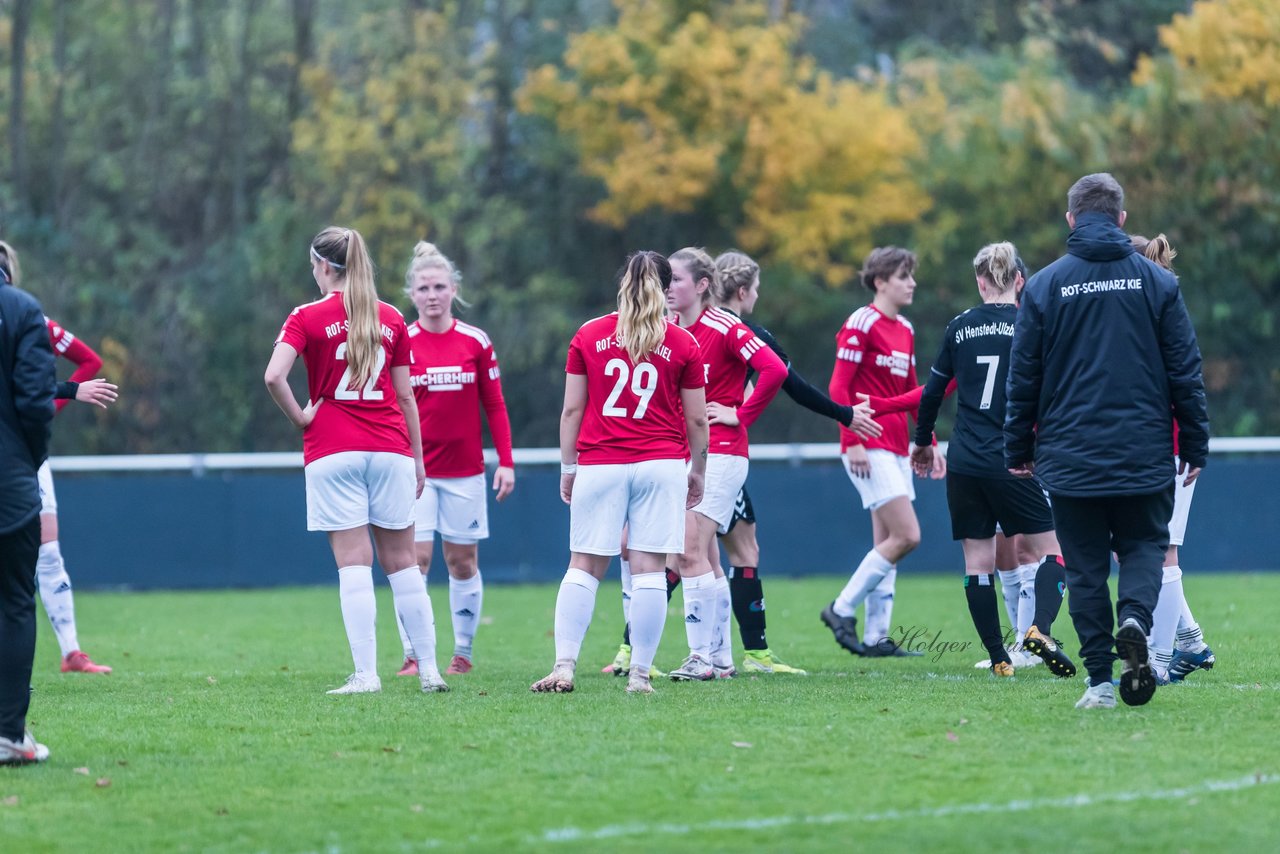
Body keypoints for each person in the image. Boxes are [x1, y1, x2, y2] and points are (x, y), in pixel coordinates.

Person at [1005, 174, 1209, 709]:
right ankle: (1137, 622)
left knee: (1086, 565)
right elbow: (1185, 370)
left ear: (1071, 219)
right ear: (1121, 219)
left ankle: (1099, 681)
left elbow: (1022, 375)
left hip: (1069, 457)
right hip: (1144, 452)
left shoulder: (1045, 286)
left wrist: (1016, 449)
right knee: (1144, 546)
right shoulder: (1158, 284)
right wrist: (1195, 442)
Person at [265, 225, 447, 695]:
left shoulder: (305, 317)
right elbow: (407, 396)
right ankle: (429, 670)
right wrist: (419, 460)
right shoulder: (389, 317)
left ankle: (367, 675)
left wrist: (302, 418)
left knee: (353, 564)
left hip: (333, 450)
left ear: (325, 266)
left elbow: (273, 377)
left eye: (313, 266)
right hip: (391, 449)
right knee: (404, 563)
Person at [530, 250, 708, 695]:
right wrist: (698, 469)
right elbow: (699, 420)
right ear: (665, 288)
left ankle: (564, 667)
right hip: (661, 464)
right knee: (649, 570)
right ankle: (641, 676)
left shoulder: (589, 334)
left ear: (622, 285)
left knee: (584, 566)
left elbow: (572, 410)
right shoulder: (683, 343)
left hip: (600, 462)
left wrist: (568, 468)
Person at [706, 250, 883, 675]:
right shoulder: (743, 331)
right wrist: (845, 414)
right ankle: (730, 655)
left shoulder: (691, 326)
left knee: (731, 547)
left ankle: (749, 654)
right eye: (758, 289)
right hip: (716, 452)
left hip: (683, 450)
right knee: (694, 554)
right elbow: (794, 385)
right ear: (744, 291)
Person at [909, 242, 1075, 677]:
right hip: (1013, 458)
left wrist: (923, 441)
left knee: (977, 563)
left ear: (979, 282)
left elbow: (931, 394)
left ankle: (1000, 657)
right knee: (1052, 551)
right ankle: (1038, 629)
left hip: (964, 461)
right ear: (1020, 281)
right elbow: (1051, 398)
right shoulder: (1031, 325)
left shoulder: (959, 326)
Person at [664, 247, 787, 681]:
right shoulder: (666, 329)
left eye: (675, 279)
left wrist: (741, 412)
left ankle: (699, 657)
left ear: (701, 285)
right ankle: (719, 658)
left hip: (723, 453)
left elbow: (774, 369)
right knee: (708, 558)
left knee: (687, 550)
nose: (667, 287)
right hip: (686, 453)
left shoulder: (725, 325)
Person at [393, 242, 514, 678]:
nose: (432, 294)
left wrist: (506, 461)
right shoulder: (401, 340)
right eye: (423, 287)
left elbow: (495, 405)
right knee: (416, 560)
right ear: (412, 293)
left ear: (454, 289)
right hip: (415, 473)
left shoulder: (475, 341)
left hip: (465, 473)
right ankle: (414, 654)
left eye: (439, 286)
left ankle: (462, 653)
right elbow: (391, 406)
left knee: (462, 562)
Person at [822, 246, 940, 659]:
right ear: (880, 282)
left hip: (896, 446)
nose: (912, 283)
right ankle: (839, 609)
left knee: (888, 539)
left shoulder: (905, 328)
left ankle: (876, 637)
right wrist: (850, 438)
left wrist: (927, 441)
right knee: (908, 535)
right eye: (903, 276)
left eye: (911, 275)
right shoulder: (861, 323)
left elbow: (911, 394)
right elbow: (839, 388)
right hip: (867, 444)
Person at [1131, 233, 1215, 684]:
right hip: (1151, 447)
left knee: (1161, 549)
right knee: (1141, 551)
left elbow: (1187, 381)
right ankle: (1191, 643)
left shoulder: (1158, 313)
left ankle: (1161, 659)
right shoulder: (1149, 308)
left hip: (1171, 449)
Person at [0, 243, 56, 764]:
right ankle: (10, 736)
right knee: (14, 603)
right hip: (9, 485)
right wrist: (27, 460)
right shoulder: (20, 309)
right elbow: (37, 405)